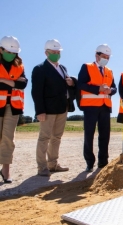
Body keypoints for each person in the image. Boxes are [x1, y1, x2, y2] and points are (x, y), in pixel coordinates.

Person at [31, 39, 77, 176]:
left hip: (62, 108)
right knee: (44, 138)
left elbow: (66, 86)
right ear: (46, 53)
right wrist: (40, 111)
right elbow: (36, 92)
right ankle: (42, 167)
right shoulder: (39, 69)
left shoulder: (63, 68)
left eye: (58, 52)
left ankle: (53, 164)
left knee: (56, 137)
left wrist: (72, 83)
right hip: (48, 110)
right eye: (53, 52)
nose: (56, 54)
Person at [78, 44, 117, 172]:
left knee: (105, 135)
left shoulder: (109, 71)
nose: (106, 58)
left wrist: (110, 91)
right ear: (97, 55)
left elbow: (114, 88)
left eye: (108, 57)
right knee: (89, 135)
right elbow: (81, 84)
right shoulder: (87, 67)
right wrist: (97, 89)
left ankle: (103, 161)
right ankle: (89, 162)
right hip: (90, 107)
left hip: (105, 107)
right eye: (103, 56)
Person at [0, 36, 27, 183]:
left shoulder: (19, 66)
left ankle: (6, 170)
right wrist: (13, 83)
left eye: (14, 53)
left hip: (13, 106)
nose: (12, 55)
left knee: (8, 138)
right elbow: (17, 84)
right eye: (9, 52)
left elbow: (22, 84)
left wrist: (3, 80)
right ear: (1, 50)